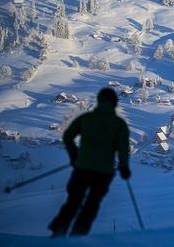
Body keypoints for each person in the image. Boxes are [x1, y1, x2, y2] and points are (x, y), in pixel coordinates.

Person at [49, 88, 131, 237]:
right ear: (114, 103)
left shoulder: (86, 118)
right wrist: (124, 167)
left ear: (99, 102)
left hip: (82, 168)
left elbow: (67, 137)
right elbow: (124, 149)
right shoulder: (119, 124)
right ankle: (78, 234)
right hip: (103, 172)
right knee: (92, 204)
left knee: (73, 201)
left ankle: (59, 232)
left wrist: (75, 156)